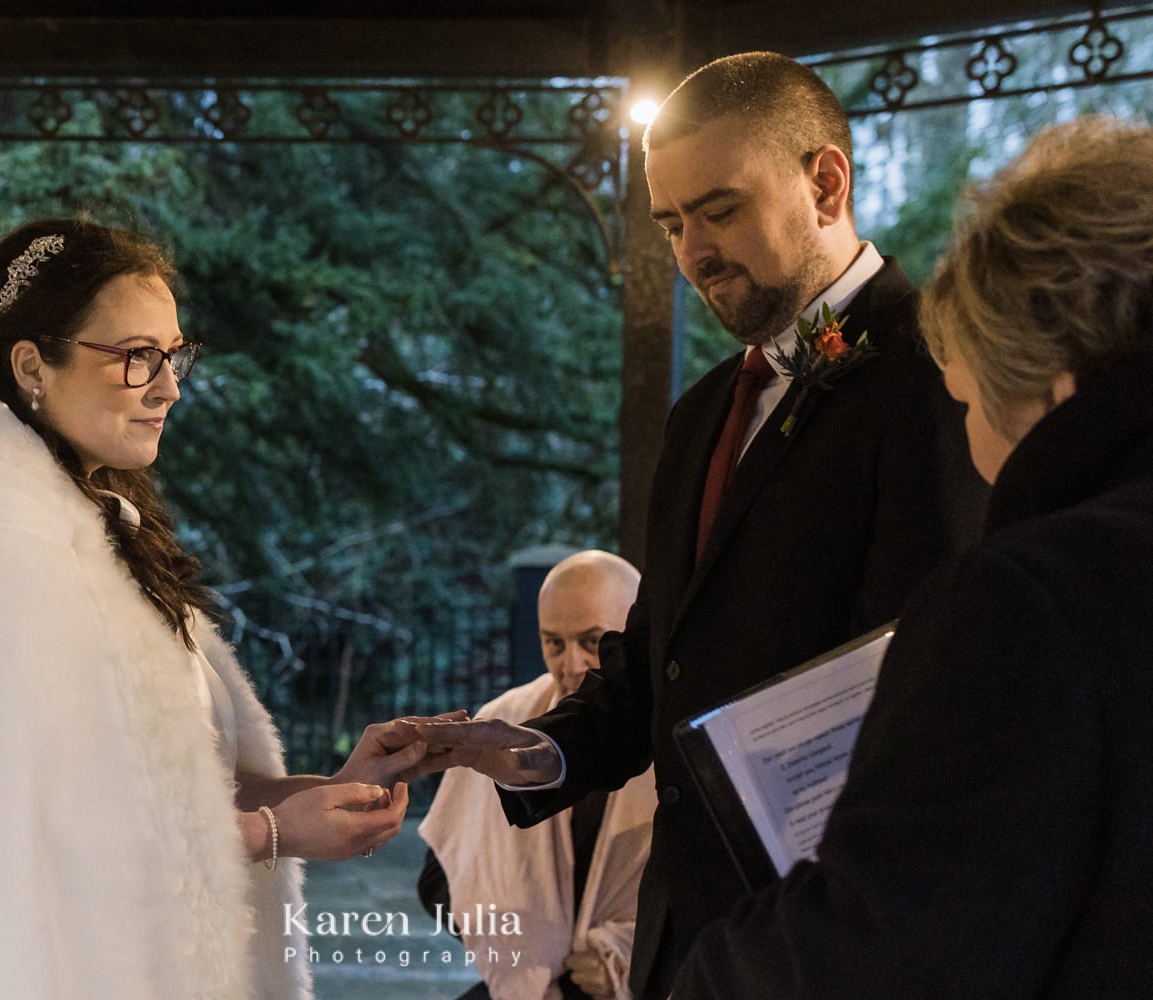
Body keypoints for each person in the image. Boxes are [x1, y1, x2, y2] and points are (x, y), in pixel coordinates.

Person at [409, 51, 988, 997]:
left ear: (826, 181)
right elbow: (653, 669)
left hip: (834, 939)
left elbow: (927, 682)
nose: (692, 252)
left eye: (719, 210)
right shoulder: (704, 411)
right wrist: (509, 749)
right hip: (686, 945)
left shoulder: (935, 373)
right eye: (672, 223)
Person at [0, 218, 429, 1000]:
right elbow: (25, 834)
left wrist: (325, 792)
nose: (169, 385)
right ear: (31, 366)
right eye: (136, 357)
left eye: (175, 353)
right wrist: (275, 835)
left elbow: (162, 783)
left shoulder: (92, 528)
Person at [669, 114, 1153, 1000]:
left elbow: (888, 950)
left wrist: (707, 977)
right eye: (671, 225)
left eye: (971, 402)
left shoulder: (1031, 600)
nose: (972, 443)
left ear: (1046, 379)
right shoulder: (700, 413)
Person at [418, 550, 654, 1000]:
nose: (572, 664)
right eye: (554, 643)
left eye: (593, 641)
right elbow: (441, 879)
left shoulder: (670, 734)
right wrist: (517, 939)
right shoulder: (506, 721)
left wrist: (628, 955)